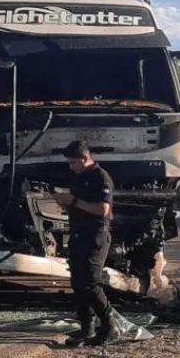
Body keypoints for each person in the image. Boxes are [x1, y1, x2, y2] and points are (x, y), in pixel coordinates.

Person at [53, 140, 118, 347]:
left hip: (95, 235)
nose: (71, 167)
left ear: (85, 158)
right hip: (79, 234)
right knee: (78, 282)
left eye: (73, 162)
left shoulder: (100, 177)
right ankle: (86, 326)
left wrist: (72, 201)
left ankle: (109, 324)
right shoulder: (79, 177)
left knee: (91, 282)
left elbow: (103, 209)